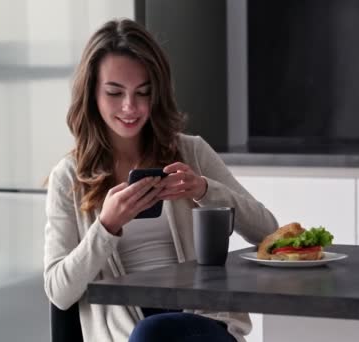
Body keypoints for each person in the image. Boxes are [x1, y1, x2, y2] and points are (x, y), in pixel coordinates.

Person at [43, 18, 278, 342]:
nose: (130, 107)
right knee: (151, 332)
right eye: (115, 92)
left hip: (202, 326)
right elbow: (59, 292)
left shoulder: (190, 152)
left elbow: (269, 233)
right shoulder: (69, 177)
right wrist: (107, 226)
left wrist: (206, 190)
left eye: (143, 92)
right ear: (92, 94)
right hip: (127, 335)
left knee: (155, 332)